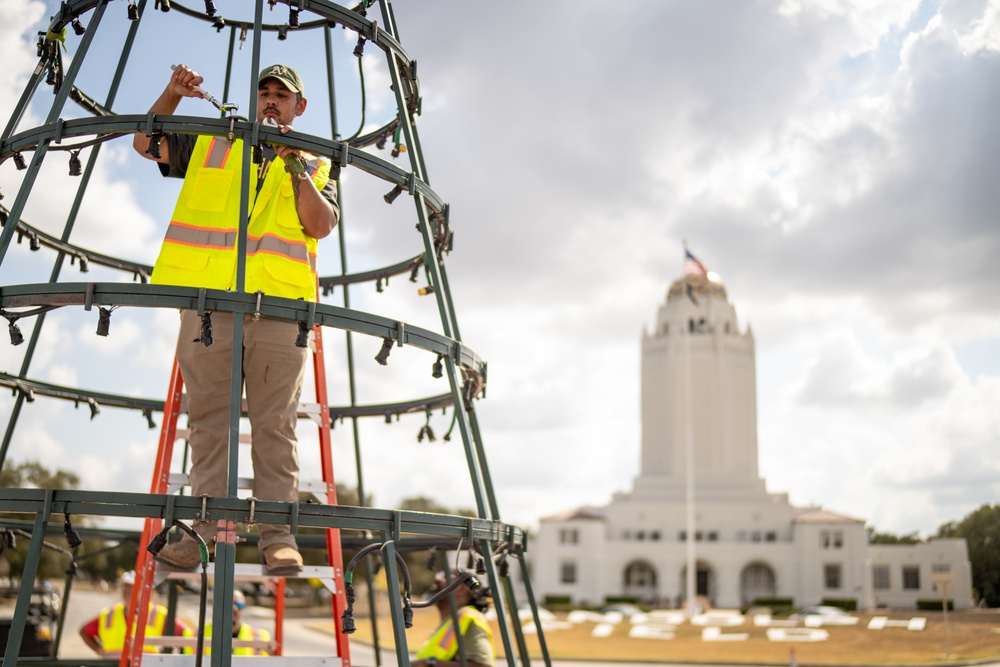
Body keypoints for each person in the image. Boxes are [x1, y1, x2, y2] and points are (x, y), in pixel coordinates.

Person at [132, 63, 339, 575]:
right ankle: (201, 531)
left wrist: (293, 167)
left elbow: (321, 224)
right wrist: (173, 94)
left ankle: (277, 535)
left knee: (276, 424)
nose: (271, 101)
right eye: (264, 92)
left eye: (281, 96)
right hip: (211, 305)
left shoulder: (315, 162)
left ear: (299, 107)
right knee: (208, 419)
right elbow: (145, 143)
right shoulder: (213, 141)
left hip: (280, 311)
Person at [78, 571, 189, 657]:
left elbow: (185, 634)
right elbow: (84, 631)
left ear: (143, 589)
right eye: (124, 586)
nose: (127, 590)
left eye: (131, 587)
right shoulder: (108, 615)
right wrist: (99, 650)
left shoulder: (158, 614)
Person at [411, 571, 495, 667]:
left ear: (462, 589)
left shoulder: (469, 618)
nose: (437, 579)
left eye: (446, 576)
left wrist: (428, 664)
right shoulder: (450, 622)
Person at [183, 589, 271, 655]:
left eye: (239, 605)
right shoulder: (193, 635)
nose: (234, 608)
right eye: (228, 603)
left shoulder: (261, 637)